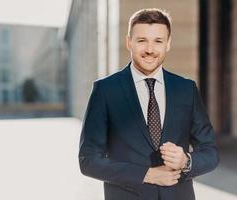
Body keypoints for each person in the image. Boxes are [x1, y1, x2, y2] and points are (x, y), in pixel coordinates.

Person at [78, 8, 219, 200]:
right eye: (142, 40)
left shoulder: (186, 89)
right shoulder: (105, 90)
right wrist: (147, 174)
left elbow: (210, 151)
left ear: (168, 44)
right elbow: (88, 160)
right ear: (129, 42)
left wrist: (187, 161)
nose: (150, 50)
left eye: (158, 41)